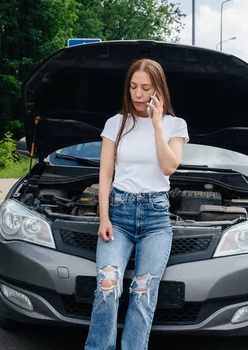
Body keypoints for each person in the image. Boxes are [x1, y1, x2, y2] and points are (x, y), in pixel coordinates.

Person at [84, 58, 189, 350]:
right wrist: (103, 217)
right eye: (133, 87)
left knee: (143, 293)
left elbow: (169, 166)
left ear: (158, 90)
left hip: (156, 220)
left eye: (145, 88)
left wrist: (156, 125)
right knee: (107, 287)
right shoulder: (115, 123)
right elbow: (105, 174)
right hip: (118, 216)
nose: (138, 94)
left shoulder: (174, 125)